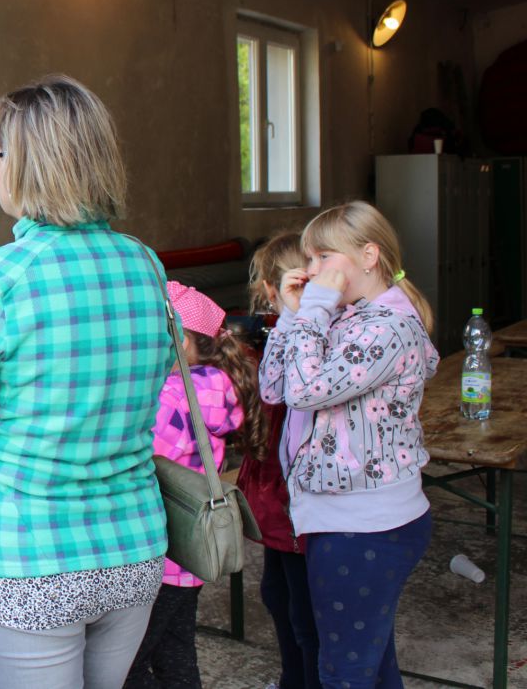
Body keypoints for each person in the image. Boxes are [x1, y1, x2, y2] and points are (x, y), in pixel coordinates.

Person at [0, 75, 173, 689]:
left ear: (28, 166)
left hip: (22, 555)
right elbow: (147, 386)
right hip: (132, 548)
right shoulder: (143, 263)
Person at [260, 201, 437, 689]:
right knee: (371, 667)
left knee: (345, 674)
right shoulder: (347, 317)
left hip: (366, 524)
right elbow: (274, 388)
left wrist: (314, 309)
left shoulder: (388, 328)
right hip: (337, 516)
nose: (310, 269)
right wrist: (292, 315)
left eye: (322, 257)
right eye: (309, 258)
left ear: (369, 256)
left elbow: (305, 390)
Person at [123, 282, 251, 689]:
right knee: (176, 654)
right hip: (190, 553)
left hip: (160, 555)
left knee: (125, 667)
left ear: (178, 339)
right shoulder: (213, 385)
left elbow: (135, 461)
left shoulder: (170, 396)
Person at [237, 232, 320, 689]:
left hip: (294, 497)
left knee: (303, 609)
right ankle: (294, 677)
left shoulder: (301, 338)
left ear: (270, 288)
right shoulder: (290, 334)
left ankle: (304, 681)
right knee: (277, 592)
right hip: (278, 494)